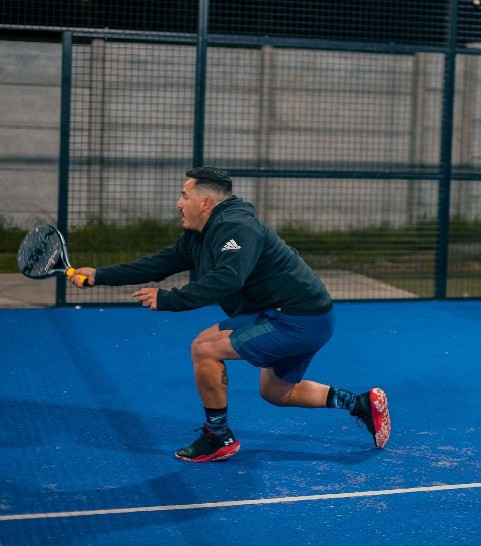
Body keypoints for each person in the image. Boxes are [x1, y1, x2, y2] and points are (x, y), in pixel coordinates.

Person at [69, 167, 391, 462]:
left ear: (206, 202)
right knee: (276, 392)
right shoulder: (199, 234)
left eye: (184, 196)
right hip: (300, 316)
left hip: (297, 318)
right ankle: (360, 404)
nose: (179, 203)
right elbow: (159, 264)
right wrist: (100, 275)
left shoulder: (236, 227)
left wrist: (169, 299)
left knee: (204, 348)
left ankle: (218, 437)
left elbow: (227, 279)